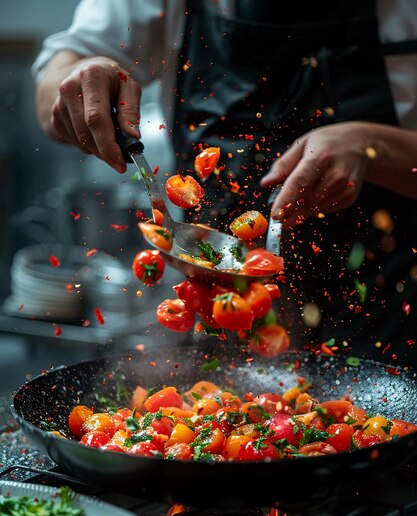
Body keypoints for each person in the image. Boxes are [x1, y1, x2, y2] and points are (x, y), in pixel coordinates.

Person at [33, 0, 417, 366]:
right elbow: (55, 76)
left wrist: (372, 145)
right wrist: (83, 77)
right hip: (220, 301)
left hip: (394, 309)